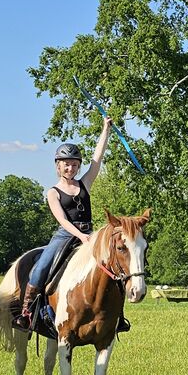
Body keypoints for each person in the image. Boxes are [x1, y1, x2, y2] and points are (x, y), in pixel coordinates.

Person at [14, 117, 115, 330]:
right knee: (41, 266)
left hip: (89, 233)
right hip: (66, 234)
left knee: (114, 263)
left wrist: (105, 129)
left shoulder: (85, 183)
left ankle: (116, 314)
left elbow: (97, 159)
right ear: (58, 166)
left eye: (75, 164)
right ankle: (27, 311)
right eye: (67, 164)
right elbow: (62, 220)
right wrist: (80, 236)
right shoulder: (53, 192)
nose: (71, 168)